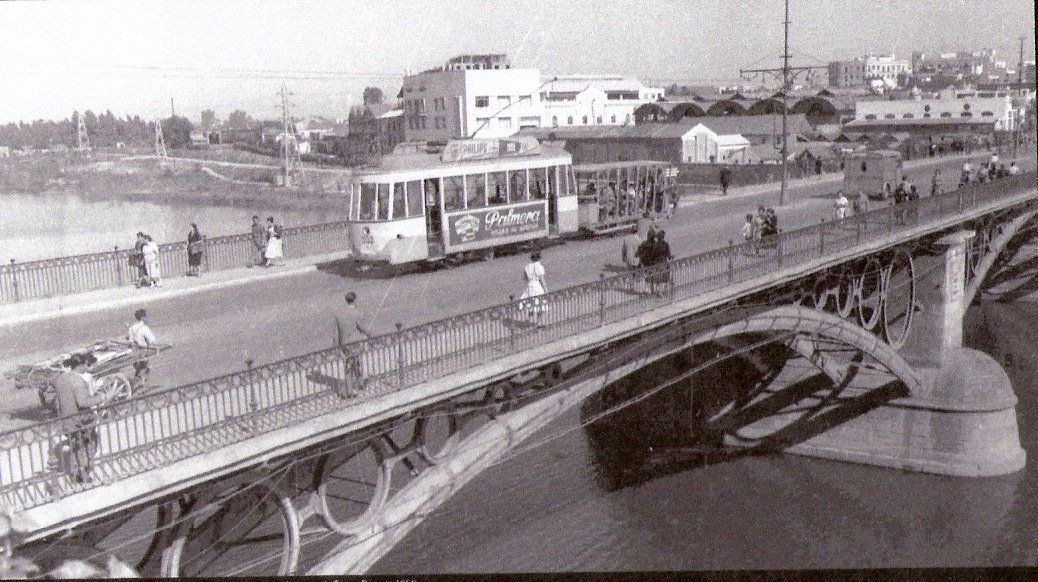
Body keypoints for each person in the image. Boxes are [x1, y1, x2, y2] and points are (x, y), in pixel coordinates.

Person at [53, 353, 105, 483]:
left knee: (74, 447)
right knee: (88, 445)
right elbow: (83, 402)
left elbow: (57, 402)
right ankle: (84, 476)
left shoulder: (61, 379)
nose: (88, 368)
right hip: (80, 422)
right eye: (87, 365)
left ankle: (75, 474)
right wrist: (102, 398)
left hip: (66, 421)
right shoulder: (78, 381)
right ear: (81, 365)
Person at [334, 292, 375, 399]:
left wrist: (337, 348)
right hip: (354, 344)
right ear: (355, 300)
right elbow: (363, 328)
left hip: (344, 345)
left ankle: (352, 387)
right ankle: (355, 387)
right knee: (356, 364)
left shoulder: (339, 315)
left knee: (349, 366)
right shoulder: (357, 313)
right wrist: (372, 336)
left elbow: (336, 333)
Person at [127, 308, 157, 389]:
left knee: (139, 370)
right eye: (146, 317)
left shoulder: (131, 328)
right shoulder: (144, 328)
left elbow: (129, 339)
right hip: (142, 353)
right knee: (145, 369)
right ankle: (140, 385)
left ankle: (139, 384)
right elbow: (153, 341)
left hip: (133, 354)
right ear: (143, 318)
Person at [521, 251, 548, 322]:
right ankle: (538, 322)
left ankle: (529, 319)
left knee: (530, 305)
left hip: (529, 287)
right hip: (537, 287)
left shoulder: (527, 267)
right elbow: (542, 280)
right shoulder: (539, 267)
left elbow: (524, 278)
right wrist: (546, 290)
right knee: (542, 306)